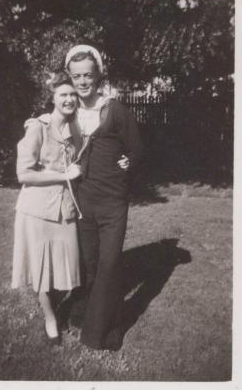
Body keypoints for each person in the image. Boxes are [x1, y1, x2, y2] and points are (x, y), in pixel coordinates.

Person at [65, 45, 144, 350]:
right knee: (90, 263)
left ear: (98, 75)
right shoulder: (68, 109)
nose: (83, 81)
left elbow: (137, 149)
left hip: (113, 200)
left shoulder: (116, 110)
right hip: (83, 200)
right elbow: (51, 133)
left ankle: (101, 333)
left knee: (110, 264)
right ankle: (87, 313)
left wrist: (129, 161)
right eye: (77, 76)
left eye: (88, 75)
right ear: (70, 78)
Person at [11, 71, 82, 345]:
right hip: (36, 211)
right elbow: (23, 175)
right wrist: (64, 175)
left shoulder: (75, 130)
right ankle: (50, 317)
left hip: (64, 209)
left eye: (73, 94)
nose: (69, 99)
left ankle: (61, 305)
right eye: (63, 94)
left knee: (67, 265)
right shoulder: (38, 127)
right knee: (41, 270)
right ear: (52, 97)